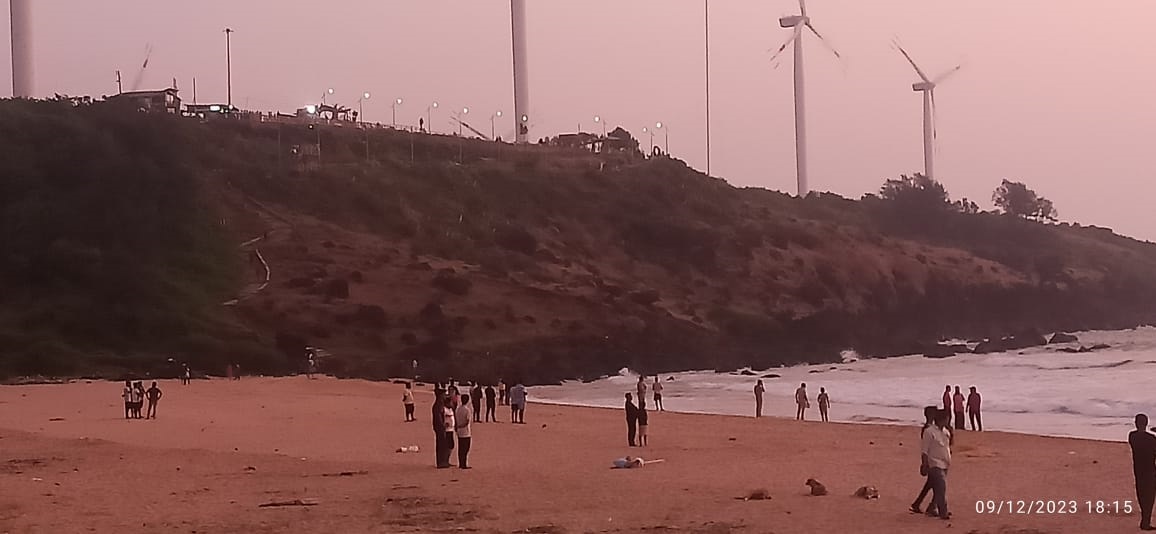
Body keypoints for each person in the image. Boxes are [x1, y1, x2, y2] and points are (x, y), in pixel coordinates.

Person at [921, 409, 953, 520]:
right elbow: (924, 451)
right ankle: (943, 511)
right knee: (941, 487)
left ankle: (931, 507)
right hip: (934, 463)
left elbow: (947, 447)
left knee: (937, 488)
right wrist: (924, 464)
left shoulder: (946, 432)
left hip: (945, 464)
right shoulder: (929, 432)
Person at [911, 406, 940, 515]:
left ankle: (918, 503)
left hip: (932, 459)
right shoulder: (928, 429)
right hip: (932, 460)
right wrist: (925, 462)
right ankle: (932, 506)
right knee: (939, 485)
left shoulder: (928, 428)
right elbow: (926, 447)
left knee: (930, 484)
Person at [1129, 413, 1156, 531]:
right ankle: (1145, 522)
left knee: (1142, 494)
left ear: (1136, 423)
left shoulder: (1132, 436)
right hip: (1150, 470)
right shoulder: (1151, 439)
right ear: (1146, 423)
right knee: (1149, 497)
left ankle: (1144, 521)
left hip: (1138, 470)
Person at [432, 391, 450, 468]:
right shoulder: (438, 405)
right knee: (441, 444)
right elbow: (438, 416)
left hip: (439, 427)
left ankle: (443, 461)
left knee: (442, 444)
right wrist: (443, 424)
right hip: (439, 427)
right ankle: (441, 462)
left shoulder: (439, 404)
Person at [455, 394, 473, 469]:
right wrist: (461, 425)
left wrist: (457, 427)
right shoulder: (467, 410)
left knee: (460, 448)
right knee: (465, 448)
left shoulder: (458, 409)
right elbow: (467, 421)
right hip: (465, 432)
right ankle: (464, 464)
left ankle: (461, 463)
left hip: (459, 431)